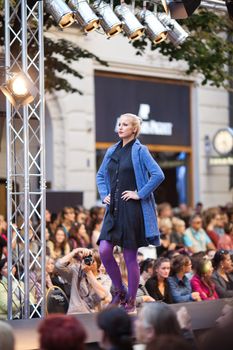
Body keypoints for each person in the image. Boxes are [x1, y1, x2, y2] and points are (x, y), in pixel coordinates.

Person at [96, 113, 164, 312]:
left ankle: (131, 301)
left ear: (134, 129)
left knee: (129, 257)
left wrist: (139, 193)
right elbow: (101, 176)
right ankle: (120, 290)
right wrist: (104, 194)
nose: (120, 127)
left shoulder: (140, 150)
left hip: (132, 209)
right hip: (113, 209)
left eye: (125, 124)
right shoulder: (111, 150)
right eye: (119, 124)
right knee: (104, 250)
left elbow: (158, 174)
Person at [55, 248, 111, 314]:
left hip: (93, 316)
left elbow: (103, 295)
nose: (88, 261)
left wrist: (88, 272)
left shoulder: (105, 279)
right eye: (86, 259)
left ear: (98, 264)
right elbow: (58, 265)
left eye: (92, 260)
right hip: (75, 314)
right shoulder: (76, 271)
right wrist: (75, 251)